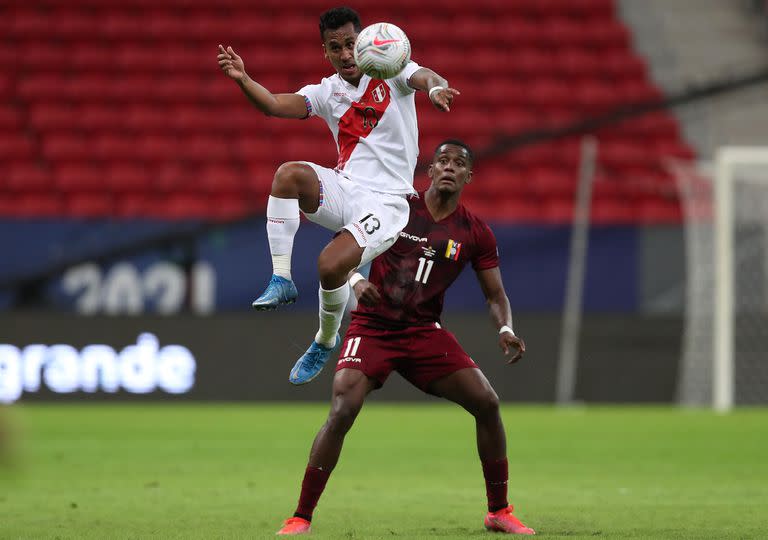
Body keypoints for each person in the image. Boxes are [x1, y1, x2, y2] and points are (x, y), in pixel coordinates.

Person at [276, 140, 535, 536]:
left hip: (422, 332)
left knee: (486, 402)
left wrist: (505, 329)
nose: (449, 167)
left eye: (459, 163)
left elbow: (495, 294)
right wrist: (358, 280)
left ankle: (498, 511)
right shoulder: (395, 207)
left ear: (469, 176)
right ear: (430, 171)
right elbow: (336, 253)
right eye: (443, 161)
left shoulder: (475, 232)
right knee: (343, 408)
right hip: (373, 327)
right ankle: (301, 516)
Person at [217, 7, 459, 384]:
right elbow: (276, 105)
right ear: (325, 52)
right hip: (345, 188)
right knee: (288, 175)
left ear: (362, 44)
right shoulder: (327, 91)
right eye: (335, 47)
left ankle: (324, 339)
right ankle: (281, 278)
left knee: (330, 266)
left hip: (390, 202)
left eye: (350, 44)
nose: (345, 54)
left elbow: (426, 76)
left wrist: (437, 87)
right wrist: (244, 79)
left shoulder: (392, 70)